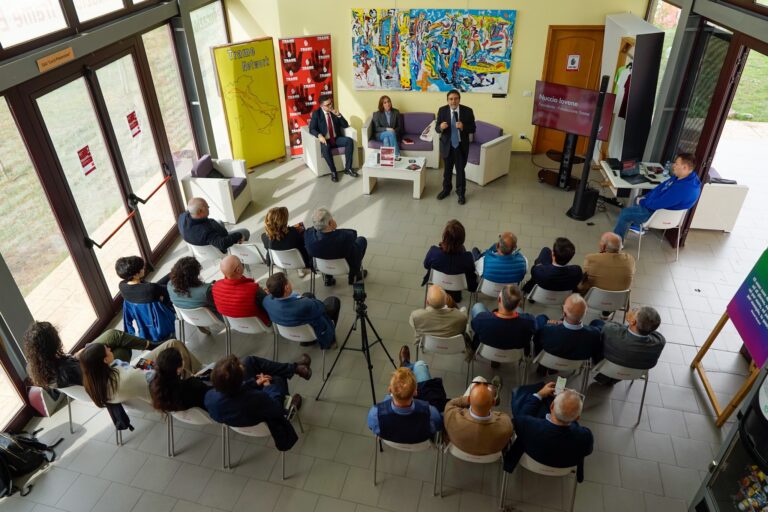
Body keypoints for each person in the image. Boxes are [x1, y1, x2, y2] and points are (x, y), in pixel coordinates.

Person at [203, 354, 303, 451]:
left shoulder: (210, 397)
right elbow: (276, 407)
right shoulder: (256, 399)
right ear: (240, 380)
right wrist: (268, 386)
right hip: (264, 414)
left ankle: (294, 368)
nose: (242, 366)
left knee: (249, 361)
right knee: (277, 377)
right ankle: (290, 408)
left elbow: (233, 393)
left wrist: (254, 383)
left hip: (239, 415)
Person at [24, 321, 156, 389]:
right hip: (103, 376)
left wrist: (75, 357)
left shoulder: (35, 367)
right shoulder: (68, 369)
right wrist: (103, 355)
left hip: (82, 366)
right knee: (123, 347)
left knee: (112, 335)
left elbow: (70, 371)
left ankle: (151, 345)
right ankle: (153, 346)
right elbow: (94, 373)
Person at [505, 382, 593, 476]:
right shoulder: (585, 436)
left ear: (551, 406)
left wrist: (539, 394)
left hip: (531, 459)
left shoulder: (529, 425)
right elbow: (587, 451)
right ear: (577, 418)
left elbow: (520, 417)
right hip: (563, 468)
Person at [79, 339, 202, 406]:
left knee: (172, 343)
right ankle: (200, 373)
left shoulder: (94, 380)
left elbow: (131, 369)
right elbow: (157, 374)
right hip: (153, 385)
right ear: (105, 360)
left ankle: (197, 370)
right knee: (174, 348)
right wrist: (157, 363)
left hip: (137, 372)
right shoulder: (127, 378)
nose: (110, 349)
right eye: (107, 350)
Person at [612, 152, 702, 239]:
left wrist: (643, 201)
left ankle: (616, 243)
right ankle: (637, 227)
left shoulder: (683, 189)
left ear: (685, 168)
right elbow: (661, 187)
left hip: (657, 214)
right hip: (657, 205)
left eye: (676, 164)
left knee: (625, 213)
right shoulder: (685, 177)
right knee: (638, 198)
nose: (673, 165)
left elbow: (657, 204)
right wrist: (646, 197)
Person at [262, 272, 340, 349]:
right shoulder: (305, 304)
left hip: (289, 330)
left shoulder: (266, 301)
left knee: (307, 294)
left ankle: (307, 341)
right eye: (288, 281)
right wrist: (305, 300)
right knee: (333, 301)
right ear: (286, 288)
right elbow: (321, 307)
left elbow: (269, 297)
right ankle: (331, 339)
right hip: (312, 330)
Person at [592, 306, 666, 385]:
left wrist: (628, 325)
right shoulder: (660, 341)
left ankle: (607, 375)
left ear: (633, 322)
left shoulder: (611, 331)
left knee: (596, 323)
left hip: (606, 364)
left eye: (635, 311)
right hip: (635, 372)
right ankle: (613, 377)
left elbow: (611, 326)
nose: (633, 310)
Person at [367, 367, 443, 442]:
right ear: (415, 392)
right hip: (420, 441)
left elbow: (372, 427)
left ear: (390, 390)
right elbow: (438, 427)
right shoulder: (431, 412)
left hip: (391, 440)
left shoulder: (375, 413)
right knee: (420, 365)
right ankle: (408, 364)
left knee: (418, 366)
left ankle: (406, 364)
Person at [443, 378, 513, 456]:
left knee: (478, 379)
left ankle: (484, 398)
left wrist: (471, 399)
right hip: (489, 454)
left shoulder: (452, 418)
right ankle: (492, 393)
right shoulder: (505, 427)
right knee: (481, 381)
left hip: (458, 449)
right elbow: (502, 416)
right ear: (494, 403)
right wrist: (487, 404)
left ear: (469, 399)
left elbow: (450, 404)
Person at [116, 256, 176, 341]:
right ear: (136, 274)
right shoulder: (150, 289)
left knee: (171, 275)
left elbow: (154, 287)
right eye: (142, 268)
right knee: (175, 285)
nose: (144, 268)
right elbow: (166, 290)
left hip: (145, 315)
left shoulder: (122, 286)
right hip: (161, 315)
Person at [304, 207, 367, 286]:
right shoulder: (345, 237)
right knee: (361, 240)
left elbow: (311, 229)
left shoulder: (308, 235)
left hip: (321, 266)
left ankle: (328, 278)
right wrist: (333, 228)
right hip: (345, 266)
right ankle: (354, 275)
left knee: (325, 250)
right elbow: (353, 233)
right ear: (330, 223)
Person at [533, 294, 602, 365]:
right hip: (576, 363)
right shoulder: (595, 334)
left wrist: (551, 325)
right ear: (584, 313)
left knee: (541, 318)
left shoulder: (546, 330)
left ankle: (542, 366)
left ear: (564, 313)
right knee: (597, 322)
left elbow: (536, 340)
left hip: (549, 359)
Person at [435, 89, 475, 205]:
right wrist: (441, 127)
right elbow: (437, 129)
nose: (453, 101)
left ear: (459, 99)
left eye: (456, 99)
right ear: (447, 101)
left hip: (460, 146)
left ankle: (461, 193)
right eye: (451, 99)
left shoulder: (467, 111)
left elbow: (473, 128)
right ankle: (446, 190)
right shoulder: (442, 111)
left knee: (460, 171)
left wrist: (463, 127)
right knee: (447, 170)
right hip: (447, 145)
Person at [470, 284, 535, 355]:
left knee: (477, 306)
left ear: (499, 299)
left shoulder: (481, 319)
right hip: (515, 353)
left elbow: (474, 326)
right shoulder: (529, 322)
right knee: (519, 311)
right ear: (518, 304)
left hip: (487, 348)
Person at [422, 219, 477, 303]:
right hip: (458, 285)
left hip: (437, 282)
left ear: (444, 237)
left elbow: (426, 265)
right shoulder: (467, 257)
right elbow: (471, 271)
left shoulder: (434, 252)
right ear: (462, 239)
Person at [211, 255, 271, 325]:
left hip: (236, 325)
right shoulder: (253, 289)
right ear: (238, 270)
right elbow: (268, 305)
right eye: (241, 263)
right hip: (260, 323)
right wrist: (267, 294)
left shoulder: (216, 286)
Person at [308, 96, 357, 182]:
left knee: (349, 141)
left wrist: (338, 115)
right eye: (327, 105)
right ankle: (333, 172)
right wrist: (319, 135)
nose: (330, 106)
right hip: (325, 140)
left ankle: (348, 168)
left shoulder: (333, 112)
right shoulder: (317, 114)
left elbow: (345, 125)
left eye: (331, 103)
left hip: (336, 138)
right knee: (325, 148)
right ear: (322, 106)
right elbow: (312, 129)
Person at [149, 347, 211, 412]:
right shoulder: (192, 385)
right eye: (182, 360)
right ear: (178, 370)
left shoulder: (154, 387)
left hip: (185, 412)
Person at [178, 197, 250, 253]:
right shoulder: (206, 231)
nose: (208, 208)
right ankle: (240, 256)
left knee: (220, 222)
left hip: (197, 242)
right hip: (216, 247)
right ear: (200, 211)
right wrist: (239, 235)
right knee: (245, 232)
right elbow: (222, 244)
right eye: (207, 207)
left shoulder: (182, 217)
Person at [259, 206, 311, 274]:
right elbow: (303, 245)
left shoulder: (264, 237)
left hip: (280, 262)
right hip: (300, 262)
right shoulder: (294, 233)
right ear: (283, 221)